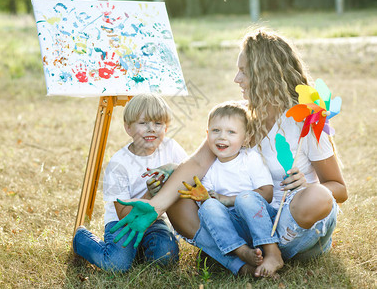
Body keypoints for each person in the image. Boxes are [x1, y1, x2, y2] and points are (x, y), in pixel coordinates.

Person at [109, 28, 347, 277]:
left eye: (243, 71)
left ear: (264, 73)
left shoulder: (307, 118)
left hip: (293, 225)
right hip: (252, 218)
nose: (236, 78)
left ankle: (255, 251)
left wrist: (307, 184)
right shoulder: (240, 117)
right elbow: (198, 163)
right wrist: (155, 206)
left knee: (316, 196)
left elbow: (339, 189)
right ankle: (243, 259)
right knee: (179, 197)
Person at [73, 93, 187, 272]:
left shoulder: (170, 148)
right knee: (116, 264)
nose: (151, 129)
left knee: (166, 258)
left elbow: (188, 172)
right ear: (128, 128)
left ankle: (140, 249)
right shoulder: (119, 163)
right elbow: (123, 214)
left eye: (158, 123)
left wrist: (172, 166)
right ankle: (81, 239)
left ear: (166, 127)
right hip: (123, 223)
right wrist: (150, 194)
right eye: (143, 123)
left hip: (155, 220)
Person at [177, 101, 284, 277]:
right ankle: (242, 252)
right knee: (208, 207)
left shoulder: (251, 159)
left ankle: (271, 251)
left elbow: (267, 193)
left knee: (245, 198)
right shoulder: (210, 167)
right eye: (215, 131)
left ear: (246, 138)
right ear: (207, 134)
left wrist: (229, 199)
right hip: (232, 230)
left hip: (259, 222)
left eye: (231, 132)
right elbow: (211, 205)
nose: (221, 137)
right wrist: (203, 197)